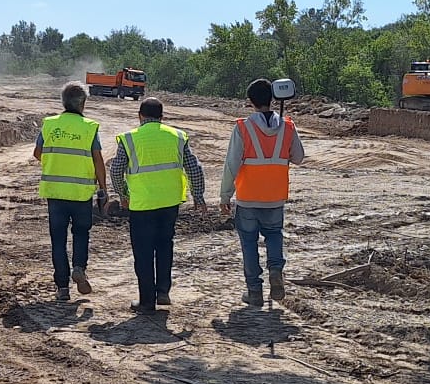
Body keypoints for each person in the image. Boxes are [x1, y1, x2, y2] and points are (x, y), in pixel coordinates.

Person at [108, 97, 207, 316]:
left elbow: (116, 171)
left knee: (143, 253)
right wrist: (198, 197)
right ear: (162, 117)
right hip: (169, 202)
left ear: (140, 116)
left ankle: (146, 301)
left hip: (142, 204)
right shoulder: (177, 136)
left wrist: (123, 194)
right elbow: (194, 168)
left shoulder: (129, 139)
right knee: (164, 246)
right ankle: (163, 290)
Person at [219, 78, 307, 306]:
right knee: (274, 235)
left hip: (248, 196)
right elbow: (298, 157)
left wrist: (225, 195)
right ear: (273, 99)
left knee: (249, 243)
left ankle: (254, 291)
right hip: (275, 196)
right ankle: (276, 271)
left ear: (250, 101)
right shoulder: (288, 126)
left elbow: (232, 164)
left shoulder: (243, 127)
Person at [33, 82, 108, 303]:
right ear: (83, 103)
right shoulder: (88, 127)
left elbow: (38, 153)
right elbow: (98, 159)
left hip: (55, 193)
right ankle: (79, 267)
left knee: (58, 239)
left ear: (63, 102)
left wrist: (57, 164)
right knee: (81, 233)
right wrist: (103, 188)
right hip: (81, 193)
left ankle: (62, 287)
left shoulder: (49, 124)